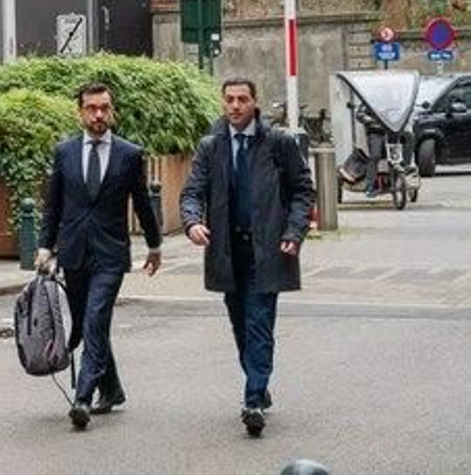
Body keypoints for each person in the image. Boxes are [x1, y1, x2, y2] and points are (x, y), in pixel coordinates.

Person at [180, 78, 315, 437]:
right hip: (227, 251)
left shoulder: (278, 144)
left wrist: (293, 233)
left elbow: (303, 191)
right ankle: (259, 382)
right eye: (229, 100)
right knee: (240, 325)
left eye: (242, 99)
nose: (235, 106)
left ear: (255, 103)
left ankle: (252, 399)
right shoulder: (211, 147)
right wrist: (192, 222)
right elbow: (192, 192)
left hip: (267, 249)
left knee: (258, 322)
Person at [35, 82, 163, 431]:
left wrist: (154, 246)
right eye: (92, 108)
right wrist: (45, 247)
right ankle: (113, 389)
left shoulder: (129, 154)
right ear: (81, 112)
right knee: (88, 324)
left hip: (110, 254)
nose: (98, 115)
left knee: (95, 318)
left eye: (104, 108)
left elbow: (142, 204)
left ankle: (82, 397)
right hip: (74, 252)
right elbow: (53, 205)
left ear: (112, 110)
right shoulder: (64, 152)